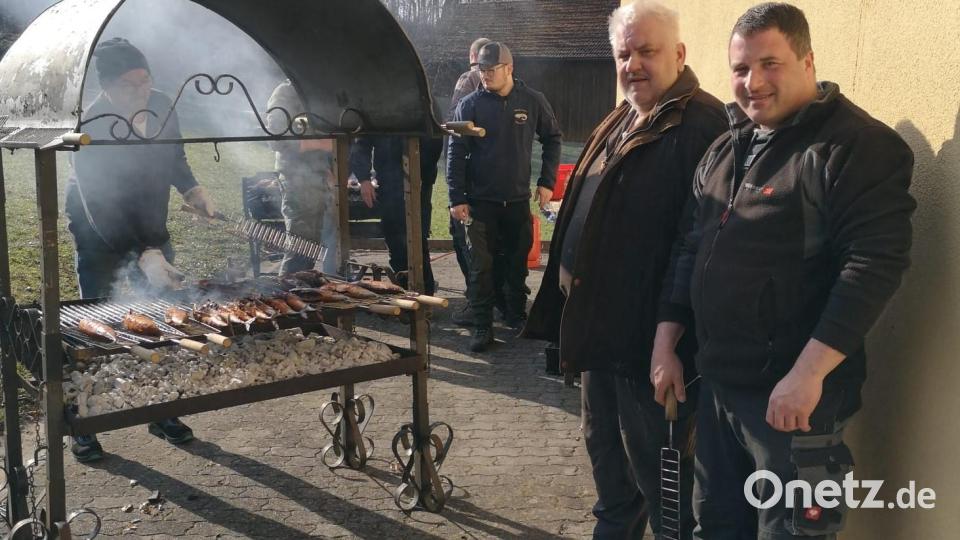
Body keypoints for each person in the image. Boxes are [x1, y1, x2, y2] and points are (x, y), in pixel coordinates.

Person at [652, 4, 916, 539]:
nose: (753, 82)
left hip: (794, 408)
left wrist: (808, 375)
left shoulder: (855, 147)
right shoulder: (726, 146)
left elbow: (872, 266)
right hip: (719, 389)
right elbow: (689, 246)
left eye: (769, 64)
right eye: (741, 68)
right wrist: (667, 342)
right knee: (716, 526)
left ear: (808, 60)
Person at [523, 2, 726, 537]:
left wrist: (670, 340)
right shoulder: (623, 115)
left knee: (665, 489)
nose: (632, 64)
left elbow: (698, 246)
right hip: (603, 336)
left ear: (678, 54)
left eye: (646, 52)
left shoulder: (704, 127)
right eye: (623, 54)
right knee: (610, 471)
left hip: (652, 350)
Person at [65, 38, 214, 462]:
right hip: (99, 228)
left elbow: (174, 155)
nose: (141, 91)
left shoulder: (163, 104)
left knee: (162, 318)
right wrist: (141, 254)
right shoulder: (91, 121)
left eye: (145, 80)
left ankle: (161, 411)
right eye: (129, 85)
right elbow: (97, 200)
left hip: (151, 220)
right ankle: (83, 421)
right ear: (107, 87)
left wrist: (191, 188)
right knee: (95, 324)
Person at [447, 42, 562, 352]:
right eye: (481, 70)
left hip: (517, 201)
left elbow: (553, 138)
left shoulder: (532, 100)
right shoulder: (469, 105)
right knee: (480, 268)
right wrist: (456, 197)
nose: (485, 75)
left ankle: (515, 315)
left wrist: (547, 182)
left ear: (509, 68)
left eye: (491, 70)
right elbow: (455, 152)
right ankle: (482, 326)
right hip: (480, 203)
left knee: (516, 263)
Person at [349, 135, 440, 294]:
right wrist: (364, 179)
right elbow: (362, 142)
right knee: (396, 240)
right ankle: (405, 290)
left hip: (420, 180)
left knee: (418, 240)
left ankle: (424, 292)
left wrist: (421, 172)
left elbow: (435, 140)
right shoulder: (378, 118)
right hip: (388, 183)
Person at [266, 80, 340, 275]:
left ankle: (302, 288)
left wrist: (329, 167)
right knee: (300, 245)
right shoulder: (285, 92)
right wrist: (322, 144)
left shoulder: (317, 91)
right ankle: (286, 289)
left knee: (311, 247)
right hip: (296, 179)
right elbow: (277, 140)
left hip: (319, 177)